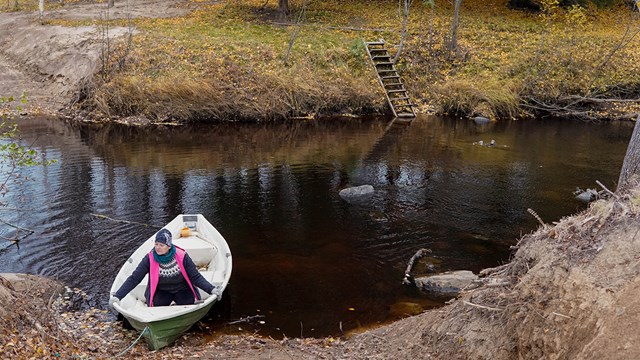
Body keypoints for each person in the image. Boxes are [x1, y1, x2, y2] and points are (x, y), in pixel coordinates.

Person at [109, 228, 220, 308]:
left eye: (161, 245)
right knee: (158, 307)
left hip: (182, 289)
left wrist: (211, 289)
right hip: (162, 291)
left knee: (187, 304)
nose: (158, 248)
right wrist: (118, 296)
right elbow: (134, 278)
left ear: (169, 246)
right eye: (156, 244)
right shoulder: (150, 258)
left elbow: (195, 277)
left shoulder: (182, 256)